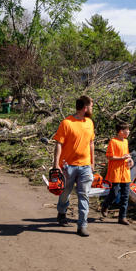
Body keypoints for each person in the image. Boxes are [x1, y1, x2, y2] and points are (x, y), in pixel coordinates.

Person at [52, 95, 95, 236]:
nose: (92, 108)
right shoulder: (67, 123)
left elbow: (91, 143)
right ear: (85, 107)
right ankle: (62, 211)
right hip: (67, 166)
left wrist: (92, 162)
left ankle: (82, 225)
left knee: (84, 195)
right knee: (65, 192)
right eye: (91, 106)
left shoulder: (89, 122)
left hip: (85, 166)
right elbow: (59, 144)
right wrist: (56, 164)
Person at [100, 122, 133, 225]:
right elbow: (109, 157)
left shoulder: (126, 141)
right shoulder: (113, 141)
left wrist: (130, 160)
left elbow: (127, 155)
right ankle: (105, 205)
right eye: (127, 130)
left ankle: (122, 217)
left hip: (125, 172)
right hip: (116, 172)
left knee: (125, 195)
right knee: (114, 193)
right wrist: (121, 158)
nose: (129, 132)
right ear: (121, 131)